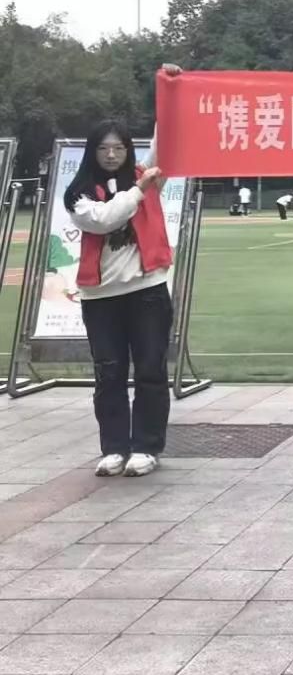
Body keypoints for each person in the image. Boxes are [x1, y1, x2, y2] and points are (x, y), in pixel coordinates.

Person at [66, 111, 176, 477]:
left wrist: (169, 99)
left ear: (129, 150)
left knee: (150, 371)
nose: (111, 155)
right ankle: (114, 448)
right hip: (101, 299)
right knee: (108, 374)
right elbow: (104, 220)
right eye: (103, 148)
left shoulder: (146, 176)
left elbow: (164, 145)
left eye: (119, 148)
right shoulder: (79, 194)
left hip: (147, 291)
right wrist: (139, 190)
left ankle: (146, 447)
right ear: (92, 152)